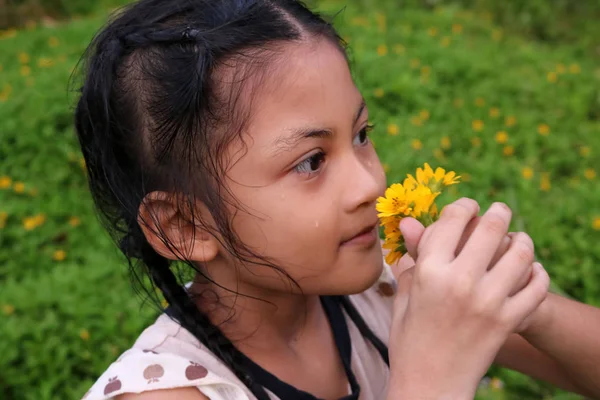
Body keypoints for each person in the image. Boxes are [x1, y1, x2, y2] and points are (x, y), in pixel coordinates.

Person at [75, 0, 600, 399]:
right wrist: (430, 377)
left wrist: (521, 302)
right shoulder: (170, 391)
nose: (370, 185)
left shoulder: (386, 291)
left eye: (362, 135)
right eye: (311, 162)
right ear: (184, 225)